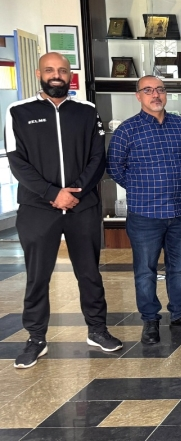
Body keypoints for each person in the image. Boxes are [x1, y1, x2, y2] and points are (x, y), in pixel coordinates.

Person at [5, 52, 122, 368]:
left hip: (82, 206)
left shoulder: (87, 111)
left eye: (62, 70)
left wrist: (75, 192)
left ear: (70, 75)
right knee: (37, 276)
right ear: (39, 74)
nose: (56, 75)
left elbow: (98, 158)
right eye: (49, 70)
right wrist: (52, 193)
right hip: (37, 208)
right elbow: (17, 161)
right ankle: (36, 339)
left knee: (89, 272)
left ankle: (97, 330)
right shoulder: (18, 112)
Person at [108, 76, 181, 345]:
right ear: (138, 96)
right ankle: (150, 320)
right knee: (145, 271)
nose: (156, 95)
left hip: (179, 211)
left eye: (160, 90)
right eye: (148, 90)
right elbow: (114, 167)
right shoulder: (127, 130)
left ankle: (180, 314)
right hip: (145, 215)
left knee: (180, 268)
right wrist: (141, 187)